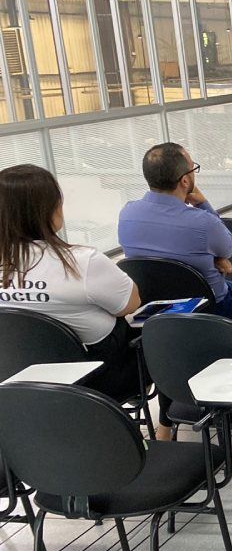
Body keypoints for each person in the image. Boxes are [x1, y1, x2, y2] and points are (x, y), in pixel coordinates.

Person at [119, 142, 232, 353]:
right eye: (193, 169)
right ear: (185, 180)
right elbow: (229, 248)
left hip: (157, 307)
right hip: (212, 305)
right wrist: (203, 204)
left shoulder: (127, 215)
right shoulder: (202, 222)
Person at [0, 165, 141, 402]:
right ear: (50, 210)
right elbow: (130, 304)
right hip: (98, 380)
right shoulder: (82, 262)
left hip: (19, 381)